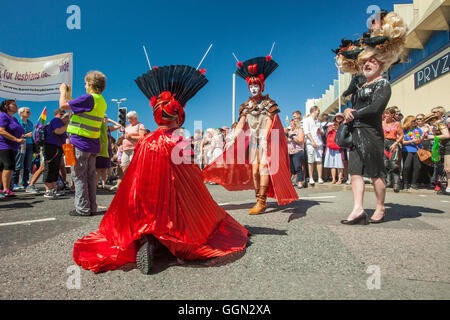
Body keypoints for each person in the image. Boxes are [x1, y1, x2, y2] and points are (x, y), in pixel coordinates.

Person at [73, 64, 249, 274]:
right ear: (179, 115)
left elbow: (134, 180)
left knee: (147, 203)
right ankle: (172, 241)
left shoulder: (147, 141)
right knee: (185, 207)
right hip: (173, 209)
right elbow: (192, 178)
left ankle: (148, 239)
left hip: (149, 206)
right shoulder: (180, 140)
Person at [203, 54, 298, 214]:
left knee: (264, 168)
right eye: (251, 86)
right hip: (254, 141)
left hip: (267, 140)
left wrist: (265, 138)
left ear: (262, 86)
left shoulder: (270, 104)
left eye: (256, 85)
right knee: (254, 171)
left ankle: (261, 201)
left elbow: (270, 122)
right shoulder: (245, 106)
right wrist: (232, 137)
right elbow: (240, 123)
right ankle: (258, 198)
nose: (254, 88)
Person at [339, 9, 407, 224]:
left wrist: (355, 112)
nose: (367, 64)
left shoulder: (383, 84)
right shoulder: (359, 86)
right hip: (356, 133)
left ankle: (380, 207)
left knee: (376, 172)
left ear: (381, 64)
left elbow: (376, 107)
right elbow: (355, 105)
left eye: (372, 61)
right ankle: (358, 208)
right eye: (365, 62)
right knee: (355, 172)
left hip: (371, 133)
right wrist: (348, 111)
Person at [59, 70, 108, 216]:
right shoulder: (100, 100)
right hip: (92, 144)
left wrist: (62, 92)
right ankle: (91, 207)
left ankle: (82, 208)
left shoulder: (88, 98)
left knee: (79, 176)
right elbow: (78, 107)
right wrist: (69, 95)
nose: (85, 85)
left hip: (80, 142)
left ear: (91, 84)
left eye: (86, 83)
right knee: (90, 176)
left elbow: (63, 106)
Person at [0, 100, 26, 199]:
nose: (16, 106)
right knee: (7, 166)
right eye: (13, 105)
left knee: (8, 167)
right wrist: (16, 139)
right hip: (4, 145)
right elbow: (1, 130)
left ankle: (5, 189)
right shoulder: (3, 115)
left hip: (13, 147)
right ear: (6, 106)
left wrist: (21, 137)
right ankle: (5, 189)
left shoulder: (14, 119)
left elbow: (18, 131)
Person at [42, 109, 69, 198]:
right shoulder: (56, 121)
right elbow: (58, 131)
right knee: (49, 167)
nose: (63, 116)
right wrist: (67, 124)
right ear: (56, 114)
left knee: (55, 168)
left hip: (58, 147)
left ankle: (53, 188)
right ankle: (48, 189)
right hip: (50, 146)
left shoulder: (62, 123)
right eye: (61, 114)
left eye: (64, 114)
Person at [96, 116, 122, 189]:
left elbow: (119, 126)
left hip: (107, 150)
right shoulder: (97, 126)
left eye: (106, 117)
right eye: (103, 117)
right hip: (98, 149)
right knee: (97, 169)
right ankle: (96, 183)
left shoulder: (108, 128)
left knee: (105, 168)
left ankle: (104, 184)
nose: (105, 119)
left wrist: (110, 120)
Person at [12, 107, 34, 191]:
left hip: (30, 144)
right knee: (18, 164)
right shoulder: (17, 123)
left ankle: (25, 182)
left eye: (29, 112)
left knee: (27, 165)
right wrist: (25, 135)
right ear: (21, 113)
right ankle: (15, 183)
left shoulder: (30, 123)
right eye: (27, 112)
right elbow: (14, 134)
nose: (29, 113)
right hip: (21, 145)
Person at [382, 107, 404, 192]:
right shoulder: (381, 123)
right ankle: (388, 181)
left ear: (392, 115)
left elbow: (401, 135)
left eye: (387, 113)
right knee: (385, 163)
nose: (386, 115)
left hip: (393, 143)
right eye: (385, 113)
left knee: (393, 164)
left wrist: (396, 143)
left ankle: (396, 183)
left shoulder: (397, 124)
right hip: (384, 143)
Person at [303, 106, 324, 185]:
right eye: (318, 111)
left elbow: (322, 132)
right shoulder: (306, 120)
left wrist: (320, 132)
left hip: (319, 142)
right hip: (310, 143)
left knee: (319, 160)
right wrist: (312, 141)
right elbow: (307, 132)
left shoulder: (319, 121)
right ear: (314, 111)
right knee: (310, 161)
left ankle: (320, 177)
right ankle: (311, 178)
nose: (319, 112)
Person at [401, 116, 423, 190]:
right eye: (413, 121)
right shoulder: (404, 130)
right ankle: (405, 183)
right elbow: (403, 142)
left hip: (417, 150)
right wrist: (412, 141)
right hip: (407, 150)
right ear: (409, 122)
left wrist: (419, 139)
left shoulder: (417, 130)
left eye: (415, 121)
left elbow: (420, 139)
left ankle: (414, 183)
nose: (415, 122)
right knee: (407, 167)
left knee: (417, 167)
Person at [324, 115, 345, 184]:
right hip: (331, 146)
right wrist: (329, 130)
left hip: (339, 147)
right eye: (337, 117)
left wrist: (338, 131)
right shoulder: (331, 126)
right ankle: (333, 179)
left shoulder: (344, 125)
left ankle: (339, 179)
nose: (339, 118)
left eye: (340, 117)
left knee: (339, 164)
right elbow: (326, 136)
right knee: (332, 164)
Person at [287, 119, 305, 188]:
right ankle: (294, 181)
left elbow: (300, 140)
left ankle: (300, 182)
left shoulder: (299, 130)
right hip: (290, 152)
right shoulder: (290, 131)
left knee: (298, 167)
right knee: (292, 169)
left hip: (298, 151)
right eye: (290, 124)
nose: (291, 125)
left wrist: (293, 137)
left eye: (292, 124)